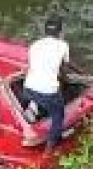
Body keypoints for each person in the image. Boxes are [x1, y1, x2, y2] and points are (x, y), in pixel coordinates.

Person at [22, 16, 70, 154]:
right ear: (60, 32)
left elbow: (32, 66)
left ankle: (31, 110)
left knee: (32, 100)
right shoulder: (63, 45)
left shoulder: (35, 45)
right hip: (48, 92)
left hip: (28, 88)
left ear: (45, 32)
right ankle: (48, 150)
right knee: (58, 116)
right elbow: (63, 72)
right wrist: (65, 79)